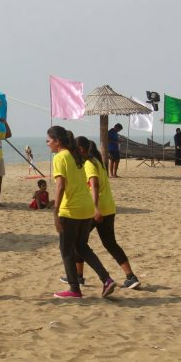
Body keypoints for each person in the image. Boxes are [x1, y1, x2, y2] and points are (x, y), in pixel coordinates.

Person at [59, 136, 141, 289]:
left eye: (75, 150)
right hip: (109, 207)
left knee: (79, 243)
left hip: (96, 209)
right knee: (109, 243)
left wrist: (95, 207)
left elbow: (94, 185)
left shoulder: (89, 164)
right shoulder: (98, 162)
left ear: (81, 149)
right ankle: (131, 276)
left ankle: (79, 276)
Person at [47, 126, 116, 299]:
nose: (47, 144)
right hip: (86, 208)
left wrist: (55, 212)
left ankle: (74, 289)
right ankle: (106, 279)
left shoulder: (59, 157)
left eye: (49, 140)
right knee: (82, 247)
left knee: (66, 250)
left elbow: (60, 185)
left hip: (71, 210)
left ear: (57, 141)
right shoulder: (76, 155)